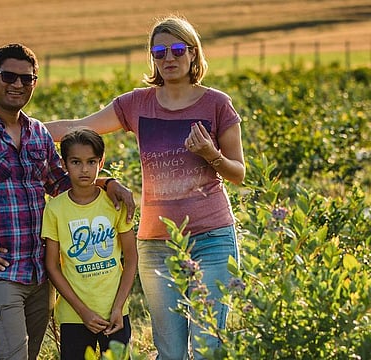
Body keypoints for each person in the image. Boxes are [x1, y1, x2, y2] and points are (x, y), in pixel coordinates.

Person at [0, 43, 134, 360]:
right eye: (9, 76)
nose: (18, 84)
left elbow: (62, 184)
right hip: (0, 273)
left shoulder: (39, 134)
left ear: (34, 83)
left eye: (26, 78)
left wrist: (108, 182)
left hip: (39, 275)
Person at [44, 15, 245, 360]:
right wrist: (17, 130)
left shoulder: (216, 104)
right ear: (152, 58)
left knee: (207, 346)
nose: (169, 58)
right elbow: (78, 127)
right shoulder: (137, 104)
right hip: (156, 244)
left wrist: (211, 154)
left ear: (194, 54)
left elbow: (239, 173)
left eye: (178, 49)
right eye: (159, 51)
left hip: (211, 238)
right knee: (168, 349)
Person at [41, 128, 137, 359]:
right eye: (76, 162)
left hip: (114, 313)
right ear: (64, 164)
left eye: (91, 161)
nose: (84, 169)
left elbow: (131, 257)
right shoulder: (54, 209)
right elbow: (52, 266)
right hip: (75, 315)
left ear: (101, 161)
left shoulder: (115, 203)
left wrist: (118, 308)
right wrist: (82, 312)